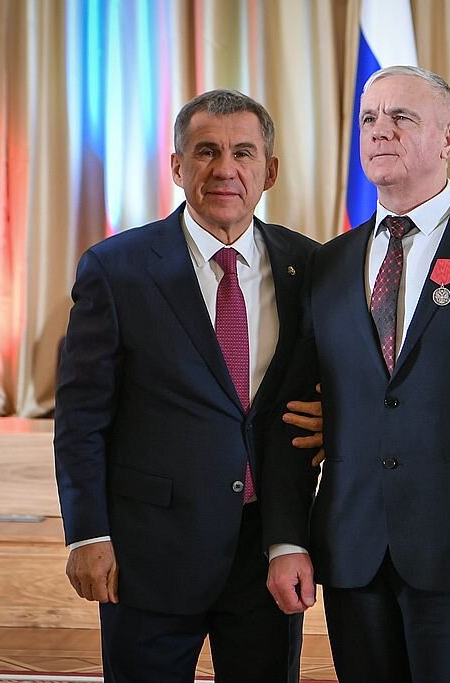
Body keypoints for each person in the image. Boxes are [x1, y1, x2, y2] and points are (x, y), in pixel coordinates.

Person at [263, 66, 450, 683]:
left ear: (449, 139)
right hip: (352, 557)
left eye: (401, 117)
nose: (381, 131)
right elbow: (294, 414)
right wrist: (287, 538)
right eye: (369, 119)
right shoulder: (327, 264)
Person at [54, 89, 320, 683]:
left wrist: (340, 420)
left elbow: (339, 381)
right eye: (206, 151)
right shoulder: (116, 270)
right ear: (177, 167)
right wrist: (87, 533)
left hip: (266, 557)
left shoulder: (308, 267)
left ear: (270, 171)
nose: (225, 169)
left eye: (243, 153)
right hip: (148, 556)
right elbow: (80, 418)